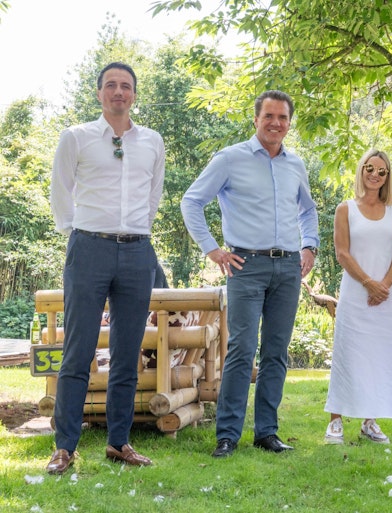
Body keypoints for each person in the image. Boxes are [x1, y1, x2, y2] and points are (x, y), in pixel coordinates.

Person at [181, 90, 319, 457]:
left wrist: (310, 246)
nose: (276, 123)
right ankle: (227, 435)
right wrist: (212, 249)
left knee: (276, 352)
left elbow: (307, 210)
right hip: (245, 266)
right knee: (242, 349)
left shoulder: (295, 164)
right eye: (269, 116)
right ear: (256, 119)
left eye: (283, 117)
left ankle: (266, 433)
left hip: (288, 267)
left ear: (289, 123)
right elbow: (191, 201)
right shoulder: (230, 159)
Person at [47, 62, 165, 474]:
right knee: (77, 351)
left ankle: (119, 442)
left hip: (137, 252)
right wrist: (77, 232)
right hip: (89, 249)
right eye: (111, 85)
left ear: (134, 94)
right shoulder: (76, 137)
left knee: (127, 351)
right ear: (99, 93)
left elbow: (153, 195)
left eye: (126, 86)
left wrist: (137, 231)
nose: (119, 92)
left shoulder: (152, 141)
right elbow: (60, 190)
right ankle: (64, 447)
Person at [323, 150, 392, 445]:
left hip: (386, 297)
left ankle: (370, 421)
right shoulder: (345, 209)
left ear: (387, 177)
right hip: (356, 294)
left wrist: (384, 286)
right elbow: (342, 253)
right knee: (347, 354)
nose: (375, 175)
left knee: (379, 357)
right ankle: (335, 421)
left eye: (382, 171)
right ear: (361, 170)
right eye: (370, 168)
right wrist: (369, 283)